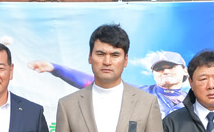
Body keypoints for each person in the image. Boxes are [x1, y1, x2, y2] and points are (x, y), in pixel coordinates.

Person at [31, 48, 188, 117]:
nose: (165, 71)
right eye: (159, 69)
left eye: (171, 67)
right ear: (153, 74)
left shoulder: (195, 101)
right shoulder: (140, 94)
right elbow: (93, 81)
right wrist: (55, 68)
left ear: (185, 71)